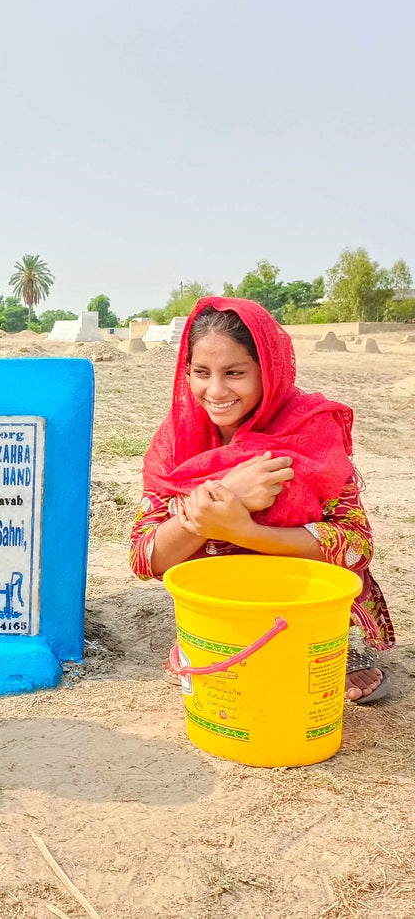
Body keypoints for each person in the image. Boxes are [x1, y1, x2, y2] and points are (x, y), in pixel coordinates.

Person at [130, 297, 394, 704]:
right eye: (201, 373)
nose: (215, 391)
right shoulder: (178, 439)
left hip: (301, 592)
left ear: (268, 370)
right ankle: (217, 637)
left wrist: (245, 530)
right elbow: (146, 558)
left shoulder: (310, 430)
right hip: (222, 598)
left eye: (234, 373)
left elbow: (355, 544)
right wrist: (224, 500)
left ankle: (329, 643)